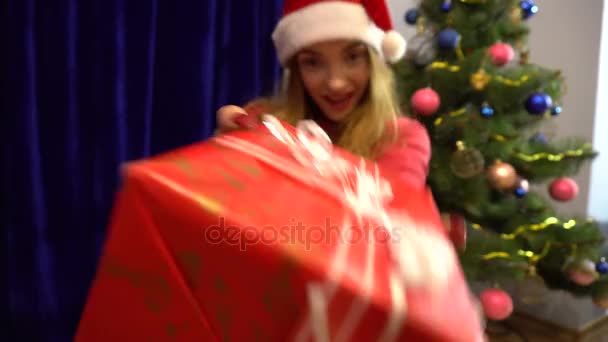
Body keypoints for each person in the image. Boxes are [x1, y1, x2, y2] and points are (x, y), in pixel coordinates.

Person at [216, 0, 431, 189]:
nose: (335, 83)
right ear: (297, 71)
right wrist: (228, 149)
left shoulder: (401, 140)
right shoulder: (265, 124)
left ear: (373, 63)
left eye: (352, 57)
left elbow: (385, 221)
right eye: (313, 62)